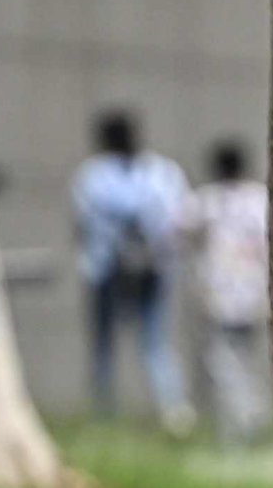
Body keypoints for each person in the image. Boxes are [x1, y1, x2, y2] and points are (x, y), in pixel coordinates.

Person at [70, 109, 189, 430]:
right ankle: (124, 413)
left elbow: (82, 225)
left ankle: (167, 413)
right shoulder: (160, 173)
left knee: (138, 343)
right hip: (113, 269)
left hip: (138, 270)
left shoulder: (95, 176)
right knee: (127, 344)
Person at [184, 139, 272, 444]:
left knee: (223, 360)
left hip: (219, 293)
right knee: (244, 356)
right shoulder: (260, 200)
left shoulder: (207, 201)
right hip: (254, 290)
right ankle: (248, 411)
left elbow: (178, 229)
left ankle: (245, 412)